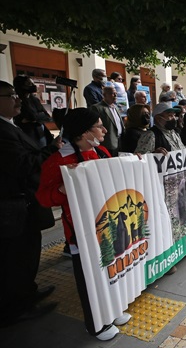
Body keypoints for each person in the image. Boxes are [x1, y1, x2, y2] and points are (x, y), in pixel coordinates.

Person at [36, 108, 131, 341]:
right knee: (89, 280)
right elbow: (43, 197)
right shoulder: (59, 160)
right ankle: (96, 324)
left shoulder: (101, 152)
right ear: (83, 133)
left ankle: (113, 308)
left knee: (111, 269)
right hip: (80, 232)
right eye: (99, 126)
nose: (104, 130)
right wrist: (62, 188)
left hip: (107, 225)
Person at [0, 80, 61, 327]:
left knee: (28, 253)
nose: (18, 99)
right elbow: (22, 165)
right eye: (11, 95)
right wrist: (52, 150)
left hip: (25, 206)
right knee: (14, 259)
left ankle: (28, 292)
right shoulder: (2, 132)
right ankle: (15, 308)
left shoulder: (11, 126)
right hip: (12, 208)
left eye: (18, 95)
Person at [13, 75, 52, 148]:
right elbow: (32, 117)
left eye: (33, 83)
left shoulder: (34, 99)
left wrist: (33, 118)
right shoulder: (17, 101)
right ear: (21, 86)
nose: (33, 86)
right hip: (28, 133)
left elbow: (46, 115)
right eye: (29, 84)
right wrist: (36, 117)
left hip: (41, 131)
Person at [90, 85, 125, 157]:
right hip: (108, 143)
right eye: (112, 93)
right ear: (104, 95)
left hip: (120, 142)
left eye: (116, 93)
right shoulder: (97, 108)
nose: (115, 95)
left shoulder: (116, 108)